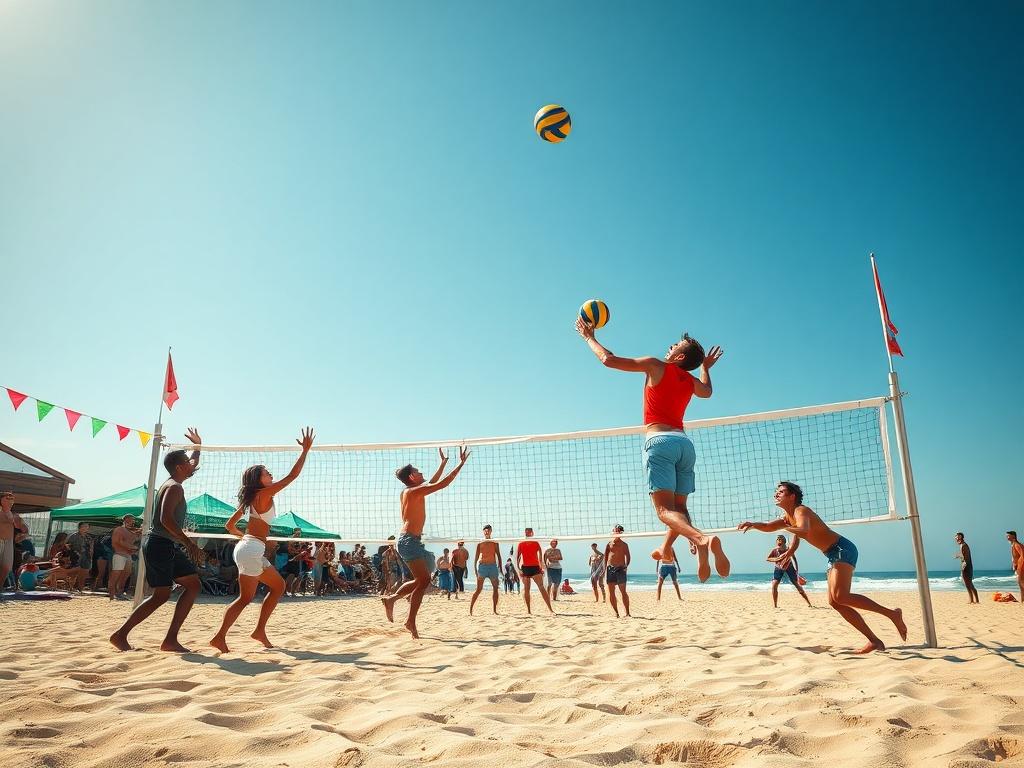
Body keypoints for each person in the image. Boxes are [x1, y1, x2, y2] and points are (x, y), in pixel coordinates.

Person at [576, 318, 729, 583]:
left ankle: (700, 539)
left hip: (659, 442)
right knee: (678, 509)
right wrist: (705, 368)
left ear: (678, 356)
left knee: (663, 512)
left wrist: (588, 337)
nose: (669, 346)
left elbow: (608, 360)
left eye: (675, 345)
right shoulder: (689, 380)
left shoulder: (655, 365)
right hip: (684, 444)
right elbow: (707, 392)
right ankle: (673, 546)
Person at [739, 482, 907, 653]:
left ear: (792, 497)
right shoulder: (788, 518)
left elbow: (803, 530)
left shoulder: (800, 511)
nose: (776, 494)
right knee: (835, 602)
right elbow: (769, 527)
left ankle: (892, 614)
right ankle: (875, 642)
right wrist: (753, 525)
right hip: (831, 553)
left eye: (781, 492)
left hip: (842, 549)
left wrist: (786, 529)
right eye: (776, 491)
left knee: (841, 596)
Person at [210, 427, 314, 653]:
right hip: (250, 549)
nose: (271, 476)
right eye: (267, 473)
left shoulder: (250, 499)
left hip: (247, 547)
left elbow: (229, 525)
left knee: (271, 589)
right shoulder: (263, 494)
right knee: (252, 596)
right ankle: (223, 636)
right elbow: (292, 476)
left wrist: (246, 538)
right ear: (258, 480)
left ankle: (254, 632)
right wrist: (305, 451)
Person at [110, 428, 205, 653]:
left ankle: (170, 640)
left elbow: (190, 463)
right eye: (187, 463)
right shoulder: (173, 487)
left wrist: (198, 448)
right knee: (161, 594)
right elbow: (165, 519)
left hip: (165, 544)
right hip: (160, 544)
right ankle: (121, 635)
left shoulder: (175, 480)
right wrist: (188, 542)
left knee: (192, 585)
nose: (192, 466)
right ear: (180, 467)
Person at [382, 446, 470, 639]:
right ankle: (409, 619)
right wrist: (461, 464)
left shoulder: (410, 490)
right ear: (412, 477)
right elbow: (442, 484)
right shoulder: (413, 493)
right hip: (408, 542)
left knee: (421, 580)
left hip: (412, 541)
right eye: (418, 471)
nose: (421, 472)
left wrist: (443, 462)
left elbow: (433, 481)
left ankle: (393, 601)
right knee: (423, 581)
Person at [516, 527, 554, 615]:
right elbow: (518, 557)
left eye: (529, 532)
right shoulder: (521, 543)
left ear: (532, 533)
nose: (527, 533)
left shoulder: (536, 543)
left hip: (535, 567)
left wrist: (541, 568)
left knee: (542, 588)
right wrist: (519, 569)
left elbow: (540, 557)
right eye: (526, 532)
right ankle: (529, 611)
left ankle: (550, 610)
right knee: (526, 590)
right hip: (525, 568)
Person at [766, 535, 811, 608]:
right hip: (778, 568)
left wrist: (797, 570)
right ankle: (775, 606)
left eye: (780, 539)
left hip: (789, 567)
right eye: (777, 539)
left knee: (797, 585)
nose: (778, 540)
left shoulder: (789, 550)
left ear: (784, 541)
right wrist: (777, 559)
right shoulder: (775, 550)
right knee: (774, 586)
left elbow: (794, 559)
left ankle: (809, 603)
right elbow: (768, 558)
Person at [470, 524, 502, 615]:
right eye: (485, 530)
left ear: (491, 531)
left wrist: (500, 567)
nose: (487, 532)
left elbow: (498, 555)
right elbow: (476, 557)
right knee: (478, 589)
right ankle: (471, 609)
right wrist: (475, 569)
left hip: (492, 566)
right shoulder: (480, 542)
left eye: (488, 530)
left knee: (495, 588)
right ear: (483, 531)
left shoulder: (494, 542)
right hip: (482, 566)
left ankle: (494, 610)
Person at [108, 514, 141, 600]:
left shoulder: (130, 531)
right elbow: (119, 541)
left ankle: (119, 592)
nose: (132, 522)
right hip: (119, 554)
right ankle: (112, 594)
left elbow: (133, 540)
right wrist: (132, 547)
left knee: (126, 573)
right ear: (125, 520)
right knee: (116, 574)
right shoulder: (119, 529)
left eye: (133, 520)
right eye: (130, 520)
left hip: (127, 555)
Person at [604, 524, 631, 618]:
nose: (616, 532)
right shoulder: (609, 544)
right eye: (615, 531)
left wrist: (626, 566)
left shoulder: (624, 545)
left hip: (620, 569)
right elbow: (606, 557)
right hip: (610, 569)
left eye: (618, 531)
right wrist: (604, 569)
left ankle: (627, 613)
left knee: (623, 591)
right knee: (611, 592)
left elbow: (628, 556)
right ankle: (616, 613)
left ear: (621, 532)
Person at [0, 490, 25, 594]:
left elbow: (22, 528)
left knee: (6, 567)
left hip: (9, 541)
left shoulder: (13, 514)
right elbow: (4, 520)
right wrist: (12, 520)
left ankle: (0, 587)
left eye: (12, 499)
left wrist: (21, 526)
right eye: (7, 498)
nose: (10, 500)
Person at [67, 521, 94, 592]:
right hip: (76, 556)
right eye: (84, 526)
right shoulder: (74, 536)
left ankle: (80, 588)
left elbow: (91, 548)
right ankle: (71, 588)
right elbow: (68, 546)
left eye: (87, 526)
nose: (86, 528)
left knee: (84, 574)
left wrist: (91, 557)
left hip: (87, 556)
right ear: (79, 528)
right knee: (74, 573)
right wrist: (74, 553)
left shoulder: (89, 537)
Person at [954, 532, 979, 604]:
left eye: (958, 537)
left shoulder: (963, 545)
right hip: (968, 566)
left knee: (968, 584)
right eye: (956, 537)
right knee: (969, 584)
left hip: (966, 566)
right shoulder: (963, 545)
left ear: (961, 537)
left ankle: (972, 600)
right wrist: (959, 556)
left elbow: (966, 558)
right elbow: (964, 555)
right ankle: (975, 600)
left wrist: (963, 567)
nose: (956, 538)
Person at [1008, 531, 1024, 603]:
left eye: (1008, 536)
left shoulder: (1017, 544)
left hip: (1021, 567)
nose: (1007, 538)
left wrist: (1018, 565)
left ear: (1013, 536)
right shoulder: (1013, 544)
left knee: (1021, 583)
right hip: (1018, 567)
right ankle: (1022, 600)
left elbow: (1022, 555)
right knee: (1020, 584)